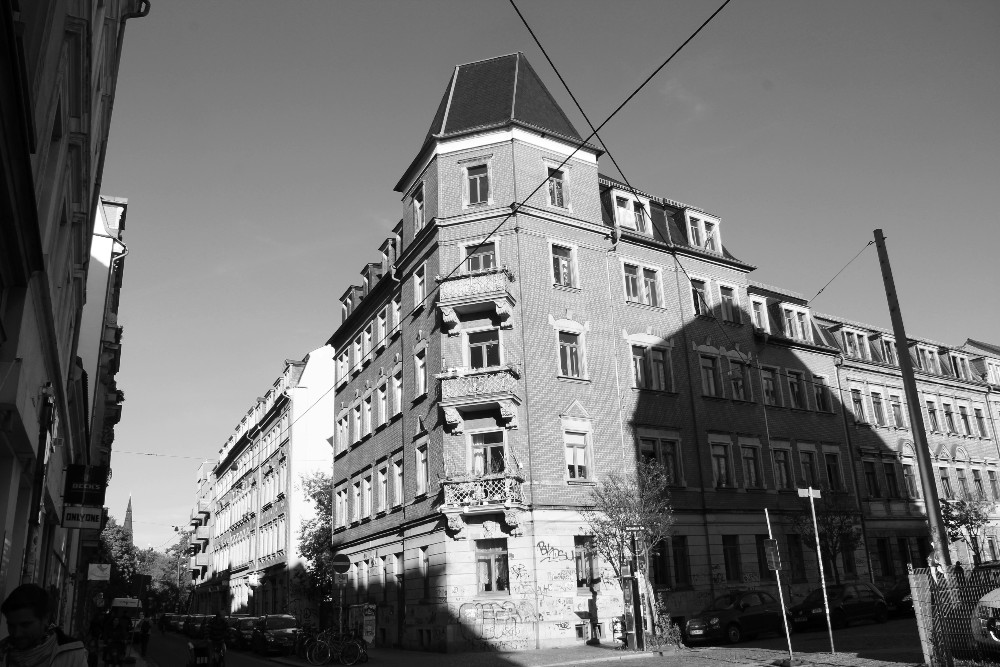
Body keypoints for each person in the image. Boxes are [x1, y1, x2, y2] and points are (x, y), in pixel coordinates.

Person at [0, 584, 88, 667]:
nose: (17, 633)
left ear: (45, 618)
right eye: (11, 626)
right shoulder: (3, 653)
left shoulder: (72, 655)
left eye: (25, 625)